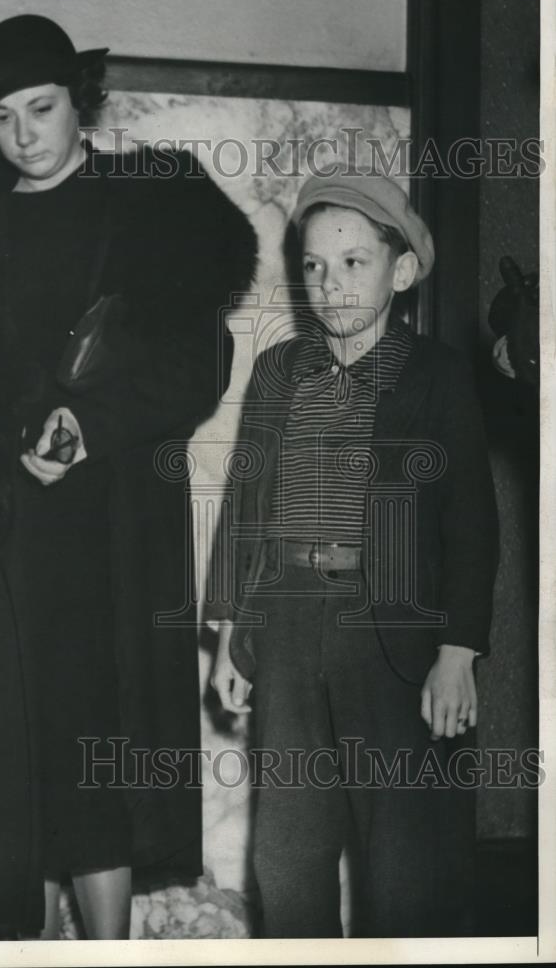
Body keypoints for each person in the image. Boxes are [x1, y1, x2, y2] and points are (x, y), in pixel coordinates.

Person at [0, 14, 257, 939]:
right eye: (1, 118)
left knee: (100, 759)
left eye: (41, 108)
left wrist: (90, 424)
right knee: (10, 775)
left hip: (110, 531)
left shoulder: (155, 200)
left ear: (79, 98)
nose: (24, 135)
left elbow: (198, 365)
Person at [207, 171, 498, 937]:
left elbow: (472, 522)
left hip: (392, 639)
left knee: (403, 861)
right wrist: (230, 634)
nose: (328, 284)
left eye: (353, 263)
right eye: (312, 265)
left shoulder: (434, 376)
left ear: (401, 273)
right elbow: (245, 505)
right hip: (288, 630)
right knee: (288, 853)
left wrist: (459, 650)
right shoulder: (278, 373)